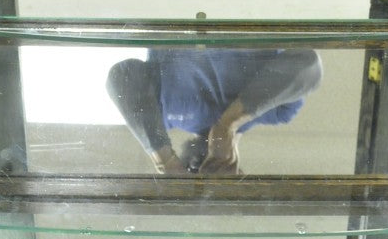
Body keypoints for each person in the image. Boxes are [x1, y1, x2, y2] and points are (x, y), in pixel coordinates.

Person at [106, 46, 323, 176]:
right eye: (223, 178)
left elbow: (121, 76)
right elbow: (308, 64)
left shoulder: (159, 116)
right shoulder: (277, 112)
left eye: (198, 178)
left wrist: (165, 162)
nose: (208, 171)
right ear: (239, 173)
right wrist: (228, 124)